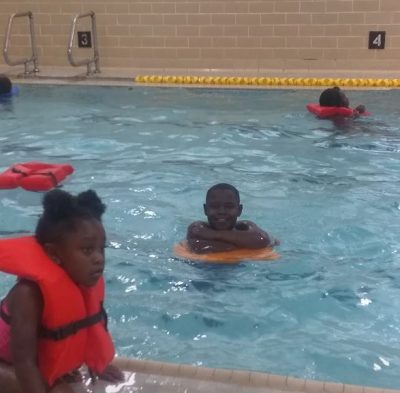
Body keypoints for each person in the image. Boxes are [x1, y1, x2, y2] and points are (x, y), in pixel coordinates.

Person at [0, 189, 124, 393]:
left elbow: (89, 326)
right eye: (87, 250)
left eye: (101, 248)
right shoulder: (28, 295)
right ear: (53, 253)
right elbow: (24, 363)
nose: (98, 258)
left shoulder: (83, 283)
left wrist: (97, 361)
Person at [186, 183, 279, 254]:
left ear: (239, 210)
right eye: (215, 206)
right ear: (205, 210)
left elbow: (262, 240)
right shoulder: (197, 228)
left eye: (229, 206)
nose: (221, 211)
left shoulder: (245, 225)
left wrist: (215, 235)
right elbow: (199, 248)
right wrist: (245, 244)